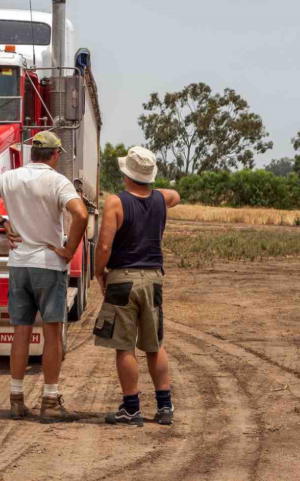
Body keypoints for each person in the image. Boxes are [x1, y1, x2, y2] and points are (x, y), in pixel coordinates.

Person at [0, 131, 89, 423]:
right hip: (48, 264)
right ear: (56, 155)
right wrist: (69, 250)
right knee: (51, 333)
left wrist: (2, 221)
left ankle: (17, 399)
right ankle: (49, 399)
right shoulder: (58, 181)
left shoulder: (10, 178)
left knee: (20, 332)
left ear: (32, 153)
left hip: (18, 264)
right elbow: (81, 215)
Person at [93, 146, 180, 426]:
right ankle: (165, 407)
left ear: (126, 173)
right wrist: (158, 194)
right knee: (154, 345)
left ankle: (131, 408)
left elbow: (104, 245)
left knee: (124, 346)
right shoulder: (160, 199)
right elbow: (174, 195)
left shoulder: (115, 203)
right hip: (153, 278)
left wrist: (99, 273)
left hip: (124, 278)